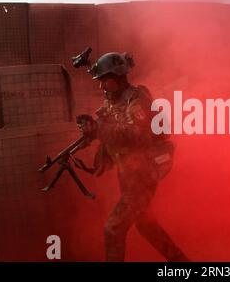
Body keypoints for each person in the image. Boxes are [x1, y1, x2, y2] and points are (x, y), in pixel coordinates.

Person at [76, 52, 189, 262]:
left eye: (105, 81)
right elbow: (113, 133)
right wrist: (92, 131)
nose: (102, 87)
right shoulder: (114, 101)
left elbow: (136, 135)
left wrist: (100, 129)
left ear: (119, 78)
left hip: (142, 175)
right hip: (129, 174)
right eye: (100, 82)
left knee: (113, 228)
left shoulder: (136, 102)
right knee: (146, 224)